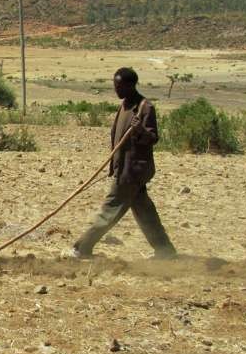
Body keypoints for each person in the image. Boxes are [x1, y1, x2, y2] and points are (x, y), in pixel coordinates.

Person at [66, 67, 177, 259]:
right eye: (114, 85)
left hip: (132, 172)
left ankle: (81, 248)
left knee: (109, 210)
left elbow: (153, 138)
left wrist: (140, 129)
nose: (116, 90)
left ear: (130, 85)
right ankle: (165, 250)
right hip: (123, 169)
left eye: (119, 86)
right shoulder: (124, 105)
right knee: (145, 213)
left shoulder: (144, 107)